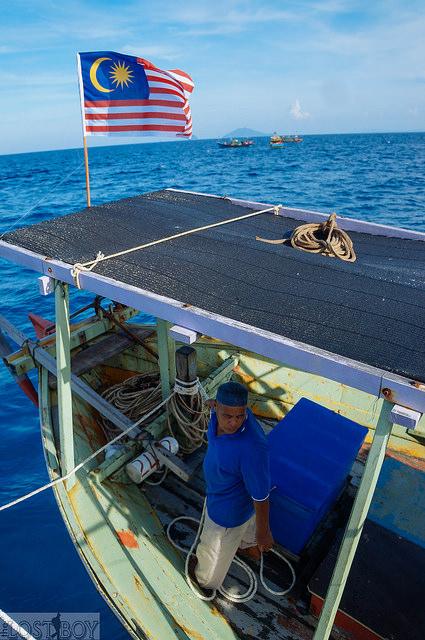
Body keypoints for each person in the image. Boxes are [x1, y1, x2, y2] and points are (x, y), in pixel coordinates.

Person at [188, 381, 273, 597]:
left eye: (239, 416)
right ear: (216, 406)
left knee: (212, 549)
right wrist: (209, 404)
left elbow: (261, 497)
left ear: (244, 411)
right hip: (225, 493)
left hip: (227, 511)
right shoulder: (217, 412)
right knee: (246, 529)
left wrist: (264, 533)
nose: (234, 422)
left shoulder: (252, 448)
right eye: (228, 415)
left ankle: (205, 581)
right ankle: (247, 546)